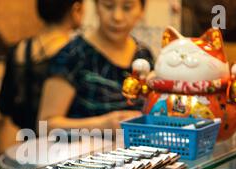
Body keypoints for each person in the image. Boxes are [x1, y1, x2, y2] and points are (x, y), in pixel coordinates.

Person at [39, 0, 153, 131]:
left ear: (141, 11)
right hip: (82, 149)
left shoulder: (144, 55)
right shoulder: (73, 56)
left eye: (127, 8)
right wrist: (101, 125)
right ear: (96, 7)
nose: (117, 17)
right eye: (108, 6)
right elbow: (46, 125)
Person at [0, 0, 84, 153]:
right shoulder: (74, 54)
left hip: (22, 146)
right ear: (76, 9)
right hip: (63, 148)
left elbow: (4, 105)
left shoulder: (19, 49)